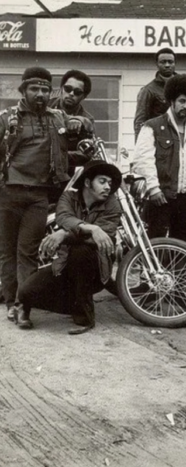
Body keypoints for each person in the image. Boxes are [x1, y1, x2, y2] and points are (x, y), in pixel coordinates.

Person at [0, 67, 93, 323]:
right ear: (23, 90)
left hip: (39, 196)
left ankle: (23, 305)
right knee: (7, 251)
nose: (40, 94)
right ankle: (10, 301)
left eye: (44, 89)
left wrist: (80, 122)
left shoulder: (57, 117)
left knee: (27, 251)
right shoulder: (7, 119)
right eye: (34, 89)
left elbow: (88, 123)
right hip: (8, 193)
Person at [16, 161, 121, 334]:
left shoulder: (112, 204)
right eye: (102, 181)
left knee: (81, 251)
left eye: (110, 183)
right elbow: (63, 217)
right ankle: (74, 303)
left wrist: (65, 235)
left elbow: (100, 239)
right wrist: (91, 228)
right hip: (64, 263)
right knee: (26, 292)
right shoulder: (68, 197)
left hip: (95, 267)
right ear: (87, 183)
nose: (108, 187)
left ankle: (85, 317)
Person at [132, 74, 186, 242]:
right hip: (160, 198)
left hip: (185, 200)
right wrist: (153, 189)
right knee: (155, 243)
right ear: (172, 101)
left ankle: (176, 270)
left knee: (181, 244)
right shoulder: (152, 127)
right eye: (182, 101)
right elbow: (142, 161)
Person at [49, 69, 96, 170]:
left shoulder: (87, 119)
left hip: (65, 170)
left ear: (84, 96)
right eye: (67, 88)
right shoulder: (46, 106)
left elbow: (87, 154)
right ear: (61, 88)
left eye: (77, 92)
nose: (71, 93)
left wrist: (58, 156)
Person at [134, 48, 176, 141]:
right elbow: (140, 121)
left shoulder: (184, 86)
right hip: (160, 140)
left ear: (175, 63)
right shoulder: (148, 90)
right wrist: (140, 147)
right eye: (163, 62)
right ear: (157, 64)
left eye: (170, 62)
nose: (167, 65)